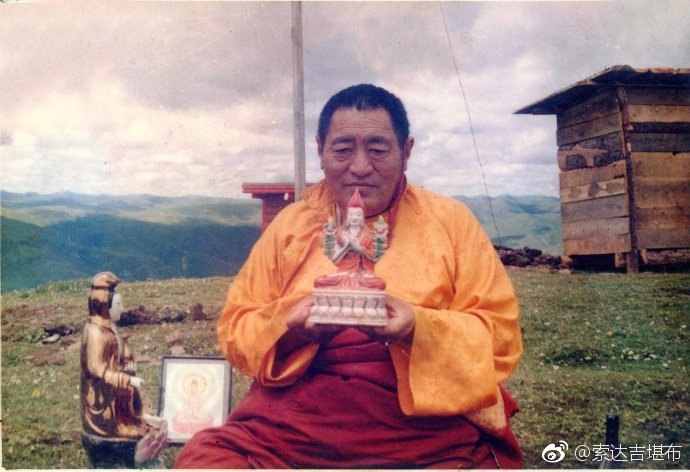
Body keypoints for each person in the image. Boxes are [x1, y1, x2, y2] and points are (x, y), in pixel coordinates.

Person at [175, 84, 523, 468]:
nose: (359, 166)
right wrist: (292, 329)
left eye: (377, 150)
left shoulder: (450, 221)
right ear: (320, 150)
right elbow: (237, 324)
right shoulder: (291, 225)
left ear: (406, 152)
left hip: (420, 430)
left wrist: (418, 327)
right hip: (293, 427)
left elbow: (499, 337)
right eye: (342, 150)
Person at [80, 272, 167, 468]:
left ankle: (138, 427)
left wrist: (127, 371)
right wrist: (127, 380)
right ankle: (128, 450)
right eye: (118, 304)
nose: (123, 308)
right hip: (101, 403)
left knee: (135, 411)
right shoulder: (95, 332)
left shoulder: (109, 329)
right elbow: (96, 369)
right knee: (125, 424)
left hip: (114, 394)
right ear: (105, 305)